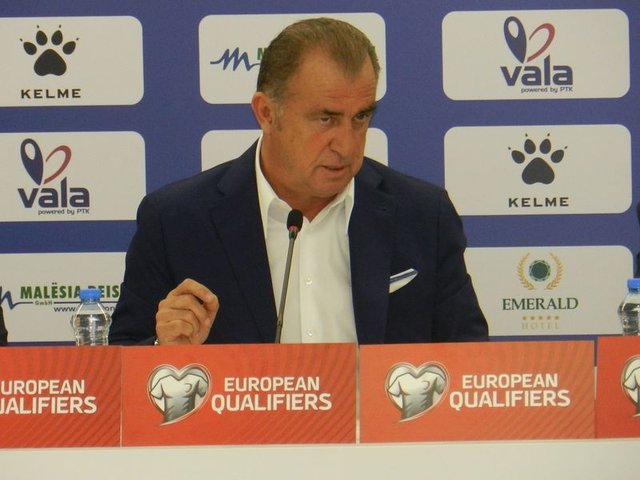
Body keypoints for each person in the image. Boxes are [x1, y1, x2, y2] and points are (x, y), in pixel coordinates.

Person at [109, 17, 488, 346]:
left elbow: (470, 362)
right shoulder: (176, 222)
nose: (346, 145)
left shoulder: (423, 216)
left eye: (360, 117)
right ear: (266, 113)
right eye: (326, 119)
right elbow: (125, 364)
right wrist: (166, 352)